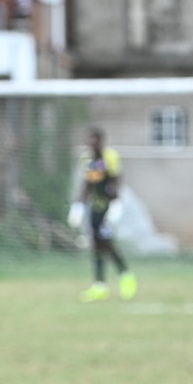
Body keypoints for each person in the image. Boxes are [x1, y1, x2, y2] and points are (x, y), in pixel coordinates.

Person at [70, 128, 137, 303]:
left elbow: (116, 182)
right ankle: (100, 284)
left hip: (108, 207)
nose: (92, 143)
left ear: (101, 141)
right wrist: (78, 205)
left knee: (106, 242)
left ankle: (126, 275)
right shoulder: (87, 159)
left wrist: (116, 204)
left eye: (95, 140)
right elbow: (88, 184)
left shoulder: (110, 157)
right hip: (96, 208)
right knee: (96, 244)